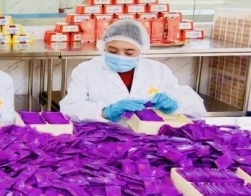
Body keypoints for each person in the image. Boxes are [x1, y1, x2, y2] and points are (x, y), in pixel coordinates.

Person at [60, 18, 206, 122]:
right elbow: (69, 108)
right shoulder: (86, 70)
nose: (120, 56)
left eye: (129, 53)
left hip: (149, 138)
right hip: (102, 138)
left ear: (142, 50)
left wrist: (175, 105)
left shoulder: (158, 71)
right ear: (103, 46)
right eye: (112, 51)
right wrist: (104, 111)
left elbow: (197, 108)